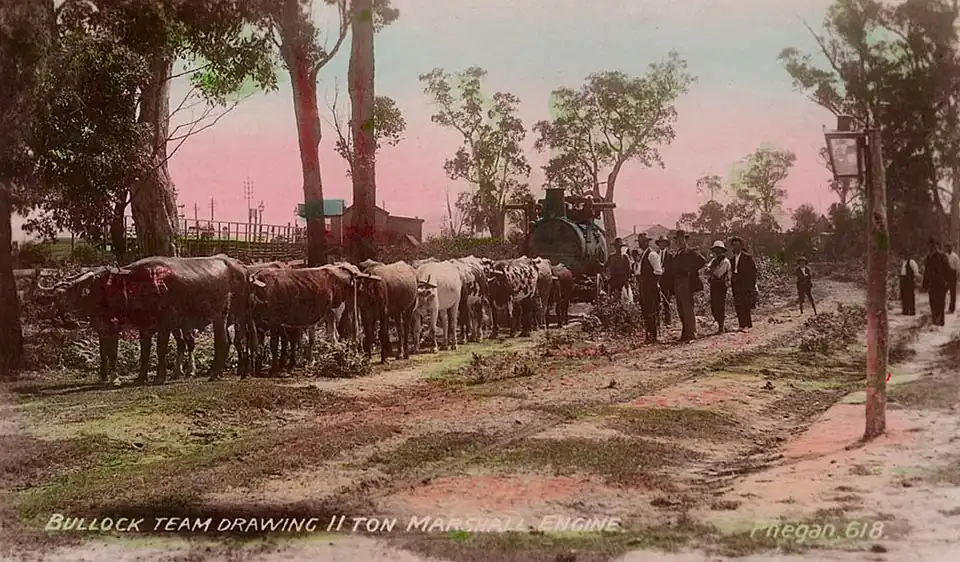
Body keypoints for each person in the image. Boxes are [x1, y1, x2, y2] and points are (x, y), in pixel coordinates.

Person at [669, 230, 706, 343]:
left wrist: (690, 270)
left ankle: (691, 334)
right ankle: (685, 333)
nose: (680, 241)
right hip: (677, 283)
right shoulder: (677, 254)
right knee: (681, 309)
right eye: (678, 240)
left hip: (686, 282)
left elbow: (702, 261)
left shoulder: (690, 252)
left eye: (682, 239)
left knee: (687, 308)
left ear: (685, 240)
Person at [635, 233, 663, 343]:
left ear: (647, 242)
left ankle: (653, 336)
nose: (641, 244)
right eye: (640, 242)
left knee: (652, 311)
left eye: (643, 242)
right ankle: (649, 335)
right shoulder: (643, 255)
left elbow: (658, 272)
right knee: (646, 311)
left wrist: (652, 285)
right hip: (643, 286)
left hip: (650, 287)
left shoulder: (652, 255)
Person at [729, 236, 757, 332]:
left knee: (745, 304)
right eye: (733, 245)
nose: (735, 247)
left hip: (746, 284)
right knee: (738, 304)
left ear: (741, 246)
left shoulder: (747, 257)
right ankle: (741, 324)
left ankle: (747, 325)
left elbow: (753, 272)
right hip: (736, 284)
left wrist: (751, 286)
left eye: (737, 245)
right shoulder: (732, 259)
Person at [922, 237, 951, 326]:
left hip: (941, 284)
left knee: (940, 303)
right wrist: (925, 284)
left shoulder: (942, 257)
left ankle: (941, 321)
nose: (931, 247)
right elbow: (926, 272)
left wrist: (947, 283)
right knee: (932, 302)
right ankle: (935, 321)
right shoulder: (928, 258)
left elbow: (948, 270)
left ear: (936, 246)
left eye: (932, 245)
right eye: (929, 245)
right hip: (932, 284)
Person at [706, 240, 731, 334]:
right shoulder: (714, 261)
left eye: (719, 250)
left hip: (721, 286)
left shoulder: (725, 262)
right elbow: (707, 269)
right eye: (716, 250)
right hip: (714, 285)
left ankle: (721, 326)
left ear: (722, 251)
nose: (717, 252)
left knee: (720, 305)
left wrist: (711, 271)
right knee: (714, 305)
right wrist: (710, 270)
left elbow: (718, 274)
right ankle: (718, 324)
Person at [657, 236, 674, 327]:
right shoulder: (655, 254)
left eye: (663, 242)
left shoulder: (670, 255)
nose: (662, 244)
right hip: (657, 281)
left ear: (666, 244)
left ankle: (668, 322)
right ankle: (658, 322)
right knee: (657, 302)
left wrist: (665, 270)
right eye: (660, 243)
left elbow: (672, 269)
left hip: (666, 282)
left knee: (666, 301)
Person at [608, 237, 631, 302]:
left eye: (619, 246)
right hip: (613, 281)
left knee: (624, 299)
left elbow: (629, 270)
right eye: (616, 246)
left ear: (621, 247)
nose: (618, 248)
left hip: (622, 281)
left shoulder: (625, 257)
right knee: (612, 299)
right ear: (614, 247)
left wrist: (627, 281)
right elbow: (605, 266)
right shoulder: (611, 257)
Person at [899, 249, 919, 316]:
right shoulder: (904, 262)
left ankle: (912, 311)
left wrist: (915, 280)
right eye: (905, 254)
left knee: (910, 296)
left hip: (909, 281)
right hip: (904, 280)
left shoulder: (912, 262)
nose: (905, 256)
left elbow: (916, 272)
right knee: (904, 296)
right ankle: (905, 310)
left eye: (907, 254)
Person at [947, 243, 959, 313]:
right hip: (946, 274)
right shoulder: (945, 255)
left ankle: (952, 308)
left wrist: (957, 277)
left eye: (950, 247)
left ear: (952, 248)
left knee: (952, 292)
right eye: (947, 247)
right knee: (943, 291)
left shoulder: (955, 256)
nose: (949, 248)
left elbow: (958, 267)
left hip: (952, 274)